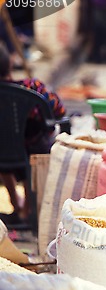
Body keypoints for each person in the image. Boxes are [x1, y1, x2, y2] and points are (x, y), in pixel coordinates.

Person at [0, 42, 65, 223]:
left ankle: (17, 203)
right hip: (32, 154)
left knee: (6, 143)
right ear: (11, 63)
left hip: (3, 158)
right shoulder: (32, 87)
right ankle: (27, 209)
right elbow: (59, 110)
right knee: (33, 143)